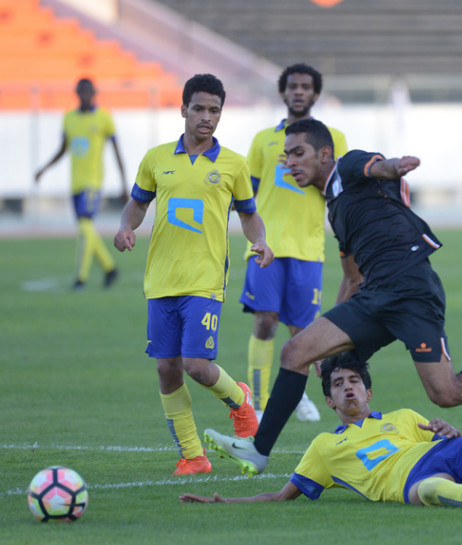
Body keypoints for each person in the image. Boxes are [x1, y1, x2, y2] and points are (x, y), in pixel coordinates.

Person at [205, 118, 462, 476]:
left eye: (299, 153)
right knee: (297, 351)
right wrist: (324, 340)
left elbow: (377, 167)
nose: (290, 162)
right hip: (375, 296)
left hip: (412, 291)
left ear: (325, 154)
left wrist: (394, 167)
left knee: (447, 394)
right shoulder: (335, 205)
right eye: (287, 155)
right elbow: (352, 277)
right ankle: (260, 451)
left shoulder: (346, 167)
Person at [113, 74, 275, 476]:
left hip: (205, 280)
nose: (207, 117)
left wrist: (260, 241)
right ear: (183, 108)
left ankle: (240, 400)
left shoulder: (233, 164)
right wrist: (125, 228)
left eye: (214, 110)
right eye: (199, 108)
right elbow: (137, 204)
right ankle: (192, 455)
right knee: (166, 368)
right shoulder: (156, 159)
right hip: (160, 280)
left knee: (196, 366)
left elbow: (250, 216)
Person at [190, 353, 462, 510]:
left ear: (369, 392)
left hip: (439, 455)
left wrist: (449, 430)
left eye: (355, 381)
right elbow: (280, 495)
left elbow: (446, 442)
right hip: (409, 484)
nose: (348, 388)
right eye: (338, 384)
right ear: (330, 402)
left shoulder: (404, 416)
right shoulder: (325, 446)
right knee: (434, 490)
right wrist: (227, 503)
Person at [241, 63, 348, 424]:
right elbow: (248, 195)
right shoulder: (262, 140)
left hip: (308, 248)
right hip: (265, 246)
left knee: (303, 332)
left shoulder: (332, 138)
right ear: (283, 93)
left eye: (306, 87)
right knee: (265, 323)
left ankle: (298, 393)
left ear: (315, 94)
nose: (299, 92)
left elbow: (338, 189)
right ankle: (257, 402)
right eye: (293, 86)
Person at [35, 77, 126, 291]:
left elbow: (117, 151)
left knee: (85, 226)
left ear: (94, 93)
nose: (85, 95)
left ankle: (81, 279)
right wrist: (44, 168)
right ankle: (110, 268)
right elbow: (63, 149)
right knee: (86, 229)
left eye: (88, 92)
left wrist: (124, 184)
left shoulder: (104, 118)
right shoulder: (69, 118)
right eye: (81, 92)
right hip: (75, 183)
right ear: (77, 93)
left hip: (93, 182)